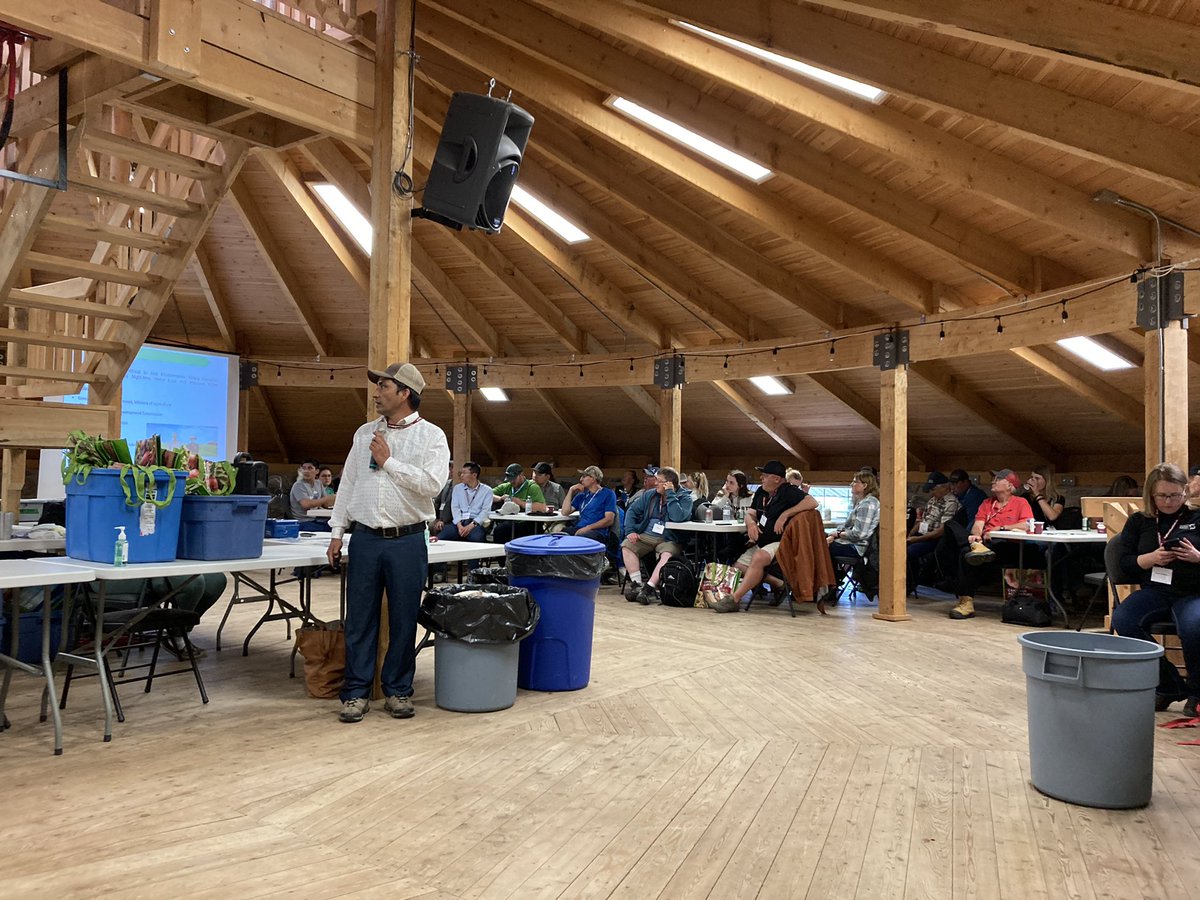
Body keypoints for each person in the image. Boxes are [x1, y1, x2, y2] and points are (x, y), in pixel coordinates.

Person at [325, 362, 450, 724]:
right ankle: (355, 693)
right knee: (359, 619)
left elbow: (432, 485)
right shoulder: (364, 433)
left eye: (383, 386)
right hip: (365, 538)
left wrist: (389, 462)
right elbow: (348, 484)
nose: (376, 393)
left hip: (407, 540)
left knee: (403, 619)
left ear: (405, 393)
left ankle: (398, 691)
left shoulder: (432, 436)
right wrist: (337, 532)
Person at [1111, 463, 1200, 717]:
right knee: (1123, 619)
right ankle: (1169, 685)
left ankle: (1197, 692)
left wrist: (1197, 557)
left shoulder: (1197, 517)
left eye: (1175, 495)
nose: (1169, 501)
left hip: (1193, 592)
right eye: (1162, 496)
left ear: (1185, 491)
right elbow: (1124, 563)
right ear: (1151, 494)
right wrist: (1150, 559)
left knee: (1193, 626)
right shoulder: (1140, 521)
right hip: (1156, 589)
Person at [714, 460, 817, 613]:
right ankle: (779, 583)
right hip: (762, 541)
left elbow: (812, 502)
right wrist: (751, 524)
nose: (761, 478)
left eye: (765, 476)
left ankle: (734, 599)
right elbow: (750, 514)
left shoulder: (789, 491)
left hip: (781, 541)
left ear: (776, 479)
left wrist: (785, 514)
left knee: (759, 557)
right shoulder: (761, 492)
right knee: (739, 567)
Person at [949, 469, 1035, 620]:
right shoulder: (987, 503)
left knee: (966, 553)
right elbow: (978, 524)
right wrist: (976, 535)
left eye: (998, 479)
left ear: (1009, 485)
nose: (993, 481)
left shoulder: (1021, 502)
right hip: (985, 543)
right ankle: (978, 548)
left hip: (1007, 545)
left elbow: (1027, 525)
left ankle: (965, 603)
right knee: (951, 526)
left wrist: (1000, 529)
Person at [620, 466, 693, 604]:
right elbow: (632, 511)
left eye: (659, 481)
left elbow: (677, 517)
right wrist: (630, 531)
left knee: (666, 554)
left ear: (669, 483)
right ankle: (637, 584)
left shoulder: (685, 498)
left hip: (669, 538)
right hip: (647, 535)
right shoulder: (650, 495)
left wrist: (670, 494)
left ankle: (649, 588)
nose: (655, 483)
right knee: (627, 545)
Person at [906, 471, 959, 596]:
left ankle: (911, 584)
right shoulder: (932, 500)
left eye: (933, 489)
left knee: (910, 551)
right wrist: (910, 534)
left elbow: (941, 531)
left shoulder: (951, 503)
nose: (931, 492)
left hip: (936, 539)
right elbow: (923, 521)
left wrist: (915, 540)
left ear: (944, 487)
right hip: (923, 534)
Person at [433, 461, 491, 568]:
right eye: (461, 473)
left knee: (476, 539)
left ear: (474, 475)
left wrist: (471, 526)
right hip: (458, 522)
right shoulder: (458, 488)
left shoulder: (487, 491)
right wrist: (459, 525)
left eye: (464, 473)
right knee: (441, 538)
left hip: (475, 523)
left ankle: (472, 572)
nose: (461, 475)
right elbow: (455, 508)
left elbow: (485, 512)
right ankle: (439, 571)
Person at [828, 471, 881, 568]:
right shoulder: (863, 502)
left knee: (818, 547)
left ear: (864, 485)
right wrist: (835, 535)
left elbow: (859, 534)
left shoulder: (867, 504)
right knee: (821, 540)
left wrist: (838, 534)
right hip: (852, 543)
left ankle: (829, 576)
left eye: (855, 482)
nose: (851, 484)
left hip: (857, 547)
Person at [491, 463, 547, 544]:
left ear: (521, 475)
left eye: (514, 478)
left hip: (528, 523)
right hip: (511, 521)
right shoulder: (507, 486)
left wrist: (520, 503)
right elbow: (487, 494)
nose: (511, 481)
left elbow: (542, 507)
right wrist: (500, 499)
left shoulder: (532, 487)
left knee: (503, 530)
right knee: (500, 530)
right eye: (510, 479)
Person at [562, 465, 618, 540]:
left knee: (580, 537)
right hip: (579, 528)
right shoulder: (581, 496)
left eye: (584, 476)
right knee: (559, 535)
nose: (581, 479)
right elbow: (565, 512)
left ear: (593, 479)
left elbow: (609, 520)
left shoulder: (608, 494)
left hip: (597, 531)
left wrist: (588, 528)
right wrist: (570, 490)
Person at [290, 458, 335, 531]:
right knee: (331, 529)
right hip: (303, 521)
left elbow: (326, 504)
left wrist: (335, 498)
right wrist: (326, 499)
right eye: (304, 468)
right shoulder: (298, 485)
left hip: (316, 519)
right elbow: (306, 504)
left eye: (310, 468)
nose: (306, 471)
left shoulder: (318, 483)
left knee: (337, 525)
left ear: (317, 471)